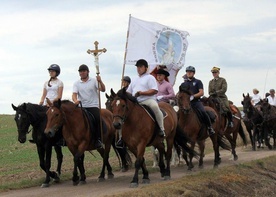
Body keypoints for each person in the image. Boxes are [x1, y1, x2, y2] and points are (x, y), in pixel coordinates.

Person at [127, 59, 165, 137]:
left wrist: (141, 93)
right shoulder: (134, 79)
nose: (138, 68)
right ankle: (121, 135)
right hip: (136, 101)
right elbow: (129, 92)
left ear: (146, 68)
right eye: (137, 67)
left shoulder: (150, 77)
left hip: (148, 100)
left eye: (141, 66)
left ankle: (161, 129)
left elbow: (154, 90)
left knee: (155, 107)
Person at [72, 64, 106, 149]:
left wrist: (100, 81)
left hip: (93, 106)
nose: (82, 73)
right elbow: (74, 95)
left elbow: (103, 89)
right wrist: (75, 101)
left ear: (87, 72)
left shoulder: (94, 81)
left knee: (98, 119)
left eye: (84, 71)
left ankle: (98, 139)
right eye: (80, 71)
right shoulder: (76, 83)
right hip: (82, 106)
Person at [180, 66, 215, 136]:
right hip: (186, 103)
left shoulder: (198, 82)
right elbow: (180, 93)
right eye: (188, 72)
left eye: (190, 72)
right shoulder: (183, 84)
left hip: (195, 102)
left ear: (193, 73)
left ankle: (209, 127)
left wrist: (193, 96)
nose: (189, 73)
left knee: (203, 111)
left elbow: (201, 92)